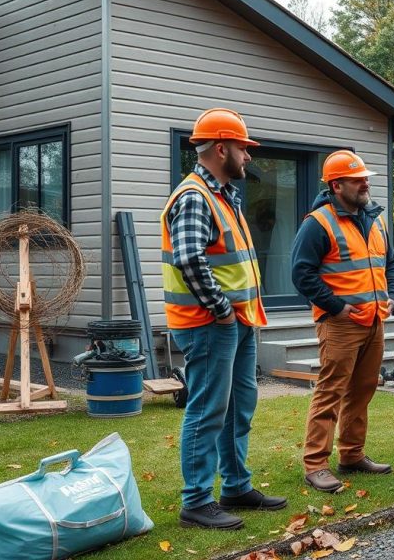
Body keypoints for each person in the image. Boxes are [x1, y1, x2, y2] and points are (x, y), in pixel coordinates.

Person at [162, 108, 287, 530]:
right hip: (210, 324)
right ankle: (196, 501)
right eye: (243, 148)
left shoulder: (222, 194)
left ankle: (235, 485)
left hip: (237, 322)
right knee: (208, 409)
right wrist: (219, 309)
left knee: (239, 407)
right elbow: (188, 258)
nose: (248, 157)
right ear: (221, 148)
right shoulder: (196, 195)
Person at [292, 150, 394, 492]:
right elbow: (301, 274)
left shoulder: (375, 219)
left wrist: (392, 296)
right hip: (340, 324)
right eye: (357, 180)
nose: (365, 183)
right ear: (337, 185)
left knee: (363, 389)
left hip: (374, 321)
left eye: (366, 178)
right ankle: (316, 464)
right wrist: (336, 307)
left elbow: (391, 262)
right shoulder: (318, 223)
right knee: (331, 392)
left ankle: (352, 454)